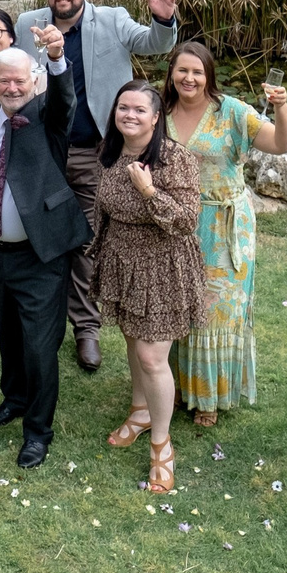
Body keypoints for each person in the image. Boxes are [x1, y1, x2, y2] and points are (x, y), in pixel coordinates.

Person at [17, 0, 180, 374]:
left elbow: (154, 43)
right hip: (44, 152)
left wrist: (164, 20)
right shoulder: (28, 25)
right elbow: (9, 74)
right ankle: (36, 321)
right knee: (39, 235)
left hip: (94, 152)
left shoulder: (112, 20)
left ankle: (86, 328)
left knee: (86, 240)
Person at [162, 41, 287, 427]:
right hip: (176, 223)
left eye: (197, 72)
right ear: (172, 73)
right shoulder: (160, 111)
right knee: (177, 304)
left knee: (215, 310)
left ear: (209, 76)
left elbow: (283, 144)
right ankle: (174, 385)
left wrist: (281, 106)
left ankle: (209, 396)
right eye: (182, 70)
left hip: (224, 224)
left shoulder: (232, 111)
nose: (189, 78)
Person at [93, 79, 211, 495]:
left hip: (163, 266)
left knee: (151, 356)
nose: (129, 115)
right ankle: (140, 410)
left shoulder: (175, 158)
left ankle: (162, 445)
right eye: (123, 107)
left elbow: (186, 220)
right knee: (132, 340)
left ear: (156, 117)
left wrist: (148, 191)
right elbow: (103, 209)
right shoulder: (111, 152)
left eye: (139, 109)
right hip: (122, 262)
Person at [0, 43, 81, 468]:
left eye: (20, 80)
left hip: (40, 255)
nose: (12, 87)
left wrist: (56, 60)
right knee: (10, 336)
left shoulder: (47, 115)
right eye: (5, 80)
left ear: (34, 82)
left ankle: (37, 432)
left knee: (39, 346)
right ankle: (14, 399)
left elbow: (65, 100)